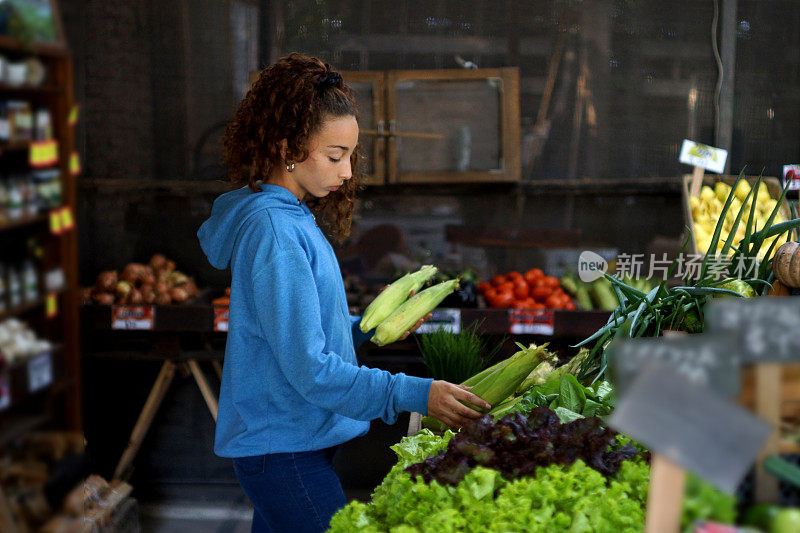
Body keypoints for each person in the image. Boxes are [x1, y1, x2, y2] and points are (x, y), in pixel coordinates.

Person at [197, 52, 490, 533]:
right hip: (284, 454)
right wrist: (416, 393)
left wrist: (364, 331)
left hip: (289, 447)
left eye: (350, 156)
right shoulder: (274, 230)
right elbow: (310, 370)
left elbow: (296, 337)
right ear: (288, 147)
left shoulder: (291, 216)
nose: (348, 171)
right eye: (336, 156)